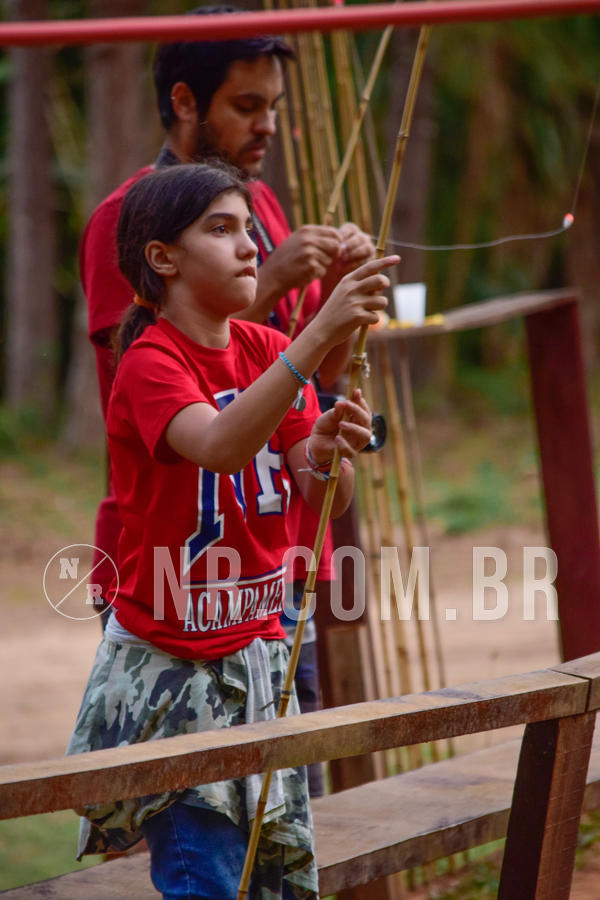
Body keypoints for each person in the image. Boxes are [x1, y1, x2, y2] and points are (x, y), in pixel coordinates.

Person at [67, 162, 397, 899]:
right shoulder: (150, 361)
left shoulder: (258, 349)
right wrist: (313, 339)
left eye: (249, 227)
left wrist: (324, 448)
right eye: (221, 229)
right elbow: (217, 444)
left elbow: (326, 500)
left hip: (255, 657)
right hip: (172, 675)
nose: (250, 245)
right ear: (163, 258)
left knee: (271, 880)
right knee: (207, 880)